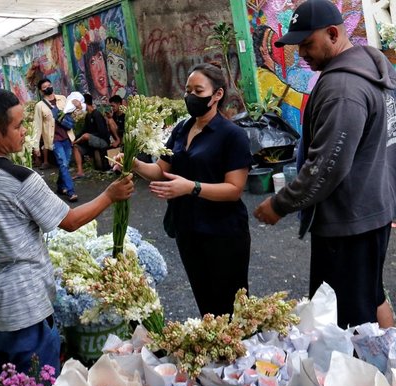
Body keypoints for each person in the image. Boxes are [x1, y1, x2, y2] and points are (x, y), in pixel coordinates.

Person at [0, 88, 134, 375]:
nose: (25, 132)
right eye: (18, 125)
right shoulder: (20, 179)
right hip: (25, 312)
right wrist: (110, 195)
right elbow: (70, 221)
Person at [254, 0, 396, 328]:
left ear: (333, 33)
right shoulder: (373, 71)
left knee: (346, 320)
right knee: (371, 297)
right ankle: (385, 372)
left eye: (307, 44)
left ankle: (359, 378)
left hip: (349, 222)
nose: (301, 53)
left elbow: (326, 166)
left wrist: (279, 204)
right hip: (372, 210)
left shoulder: (342, 87)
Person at [116, 63, 252, 317]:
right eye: (188, 90)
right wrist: (132, 162)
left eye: (198, 90)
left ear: (217, 94)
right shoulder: (182, 128)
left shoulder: (232, 135)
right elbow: (160, 170)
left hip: (223, 233)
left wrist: (191, 187)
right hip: (187, 230)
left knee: (232, 308)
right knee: (206, 304)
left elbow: (234, 189)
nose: (190, 96)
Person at [32, 78, 81, 202]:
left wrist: (77, 106)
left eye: (49, 85)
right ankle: (71, 192)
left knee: (64, 164)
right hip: (54, 140)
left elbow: (72, 115)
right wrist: (36, 146)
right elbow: (37, 126)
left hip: (67, 136)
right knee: (63, 163)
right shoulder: (40, 106)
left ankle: (60, 186)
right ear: (41, 91)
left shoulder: (63, 99)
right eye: (45, 87)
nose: (48, 88)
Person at [73, 93, 111, 176]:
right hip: (90, 141)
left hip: (102, 141)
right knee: (76, 147)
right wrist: (75, 139)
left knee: (86, 136)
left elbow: (102, 133)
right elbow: (84, 130)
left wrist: (87, 137)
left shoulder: (97, 114)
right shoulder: (87, 116)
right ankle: (80, 171)